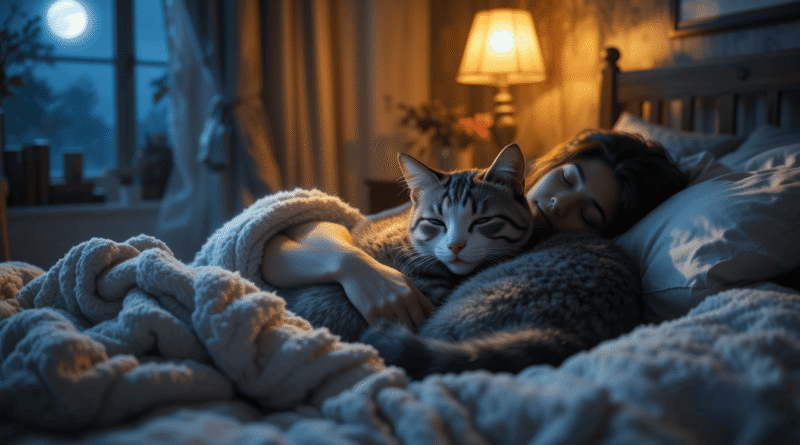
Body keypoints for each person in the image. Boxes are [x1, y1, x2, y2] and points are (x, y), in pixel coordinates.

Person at [259, 130, 686, 331]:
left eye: (588, 215)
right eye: (567, 179)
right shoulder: (459, 194)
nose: (557, 203)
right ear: (546, 166)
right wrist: (348, 264)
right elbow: (285, 242)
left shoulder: (539, 256)